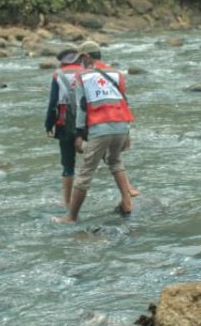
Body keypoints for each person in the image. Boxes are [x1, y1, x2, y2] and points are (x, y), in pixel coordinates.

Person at [54, 40, 134, 222]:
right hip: (121, 126)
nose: (80, 62)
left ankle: (71, 216)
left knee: (84, 174)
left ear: (87, 57)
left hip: (100, 128)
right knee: (115, 162)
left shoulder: (82, 76)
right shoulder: (117, 74)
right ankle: (127, 203)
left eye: (81, 58)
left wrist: (79, 135)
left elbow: (82, 107)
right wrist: (128, 132)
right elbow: (124, 102)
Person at [45, 47, 83, 208]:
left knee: (68, 164)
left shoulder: (57, 75)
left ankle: (67, 201)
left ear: (62, 62)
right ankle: (126, 191)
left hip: (65, 122)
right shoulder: (87, 72)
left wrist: (48, 125)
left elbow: (53, 103)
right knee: (104, 158)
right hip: (88, 120)